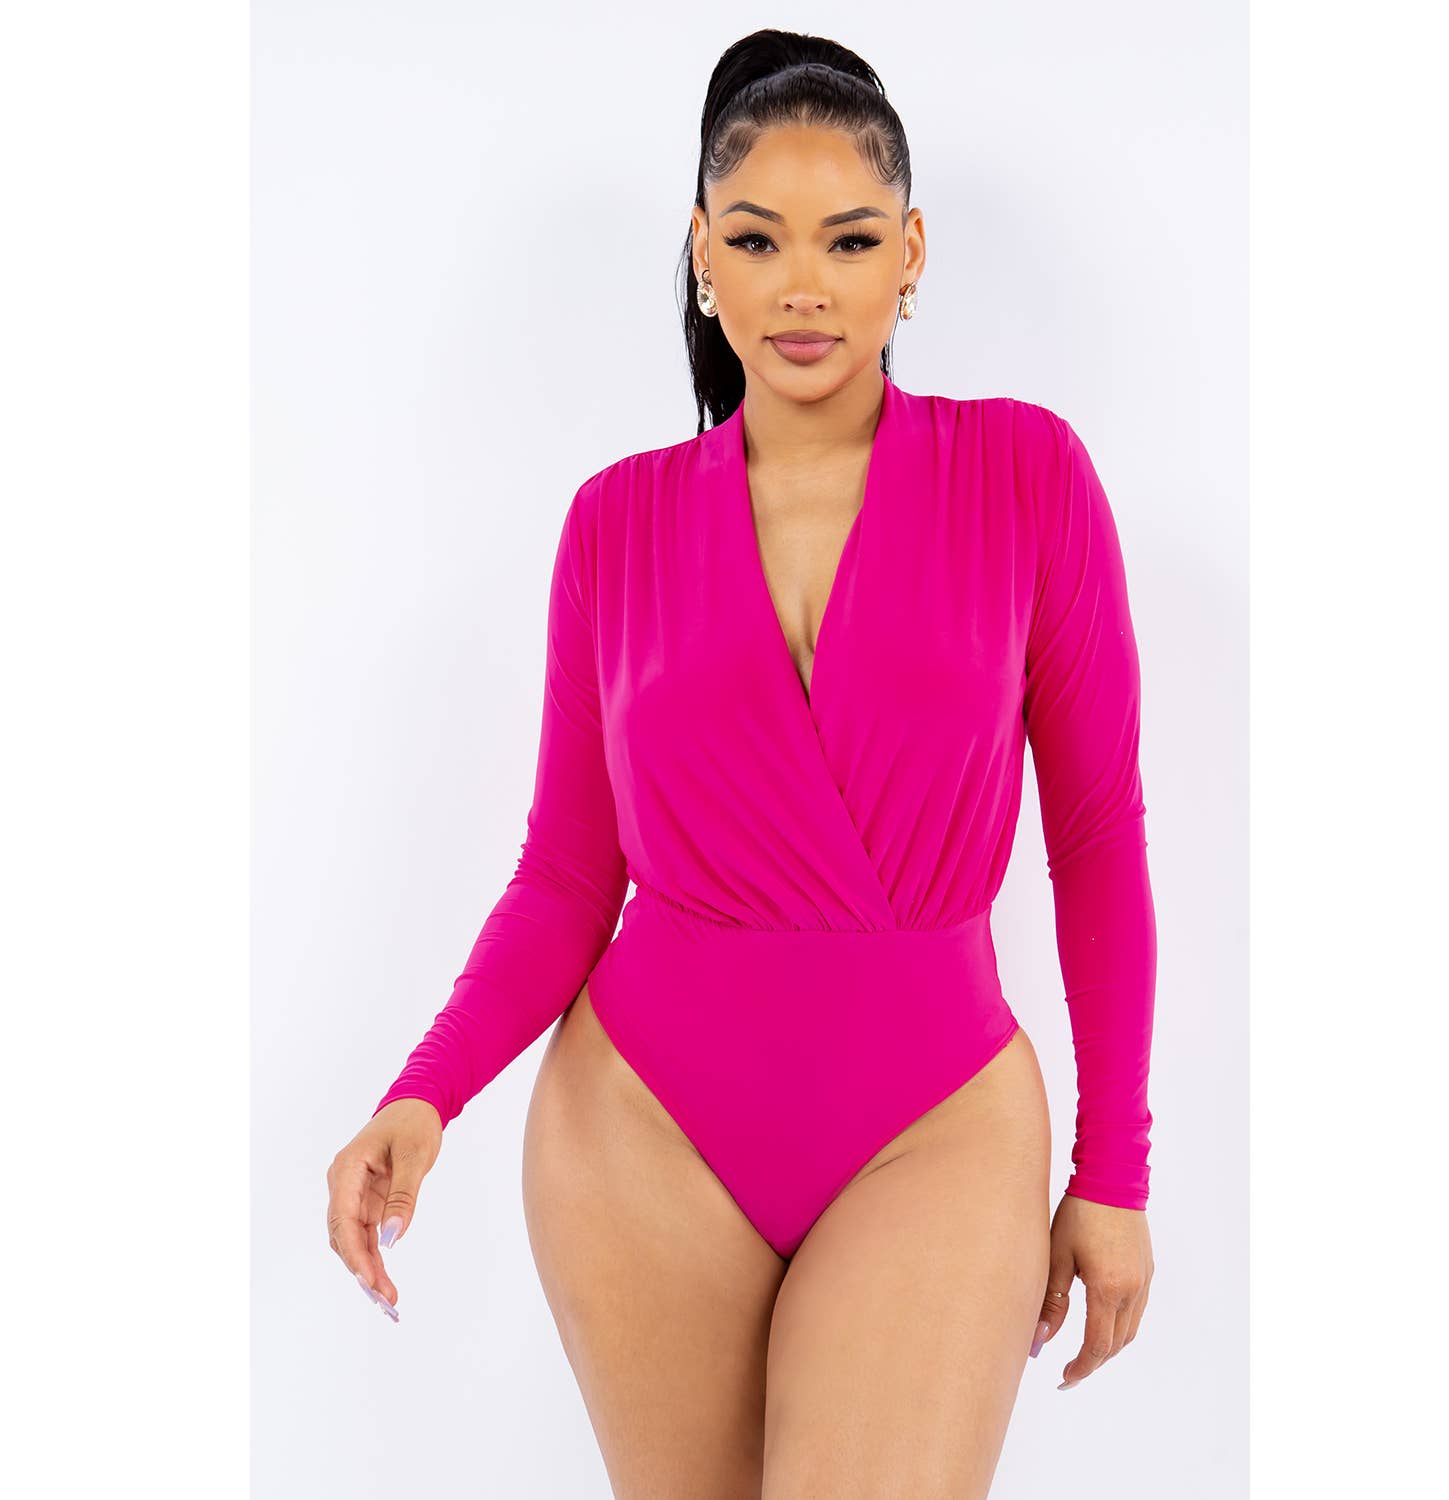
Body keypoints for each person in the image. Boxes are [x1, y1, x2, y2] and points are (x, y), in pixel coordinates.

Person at [326, 27, 1157, 1498]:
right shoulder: (615, 525)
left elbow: (1096, 840)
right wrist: (426, 1090)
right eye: (759, 239)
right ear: (704, 254)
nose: (803, 285)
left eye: (849, 239)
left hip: (939, 1123)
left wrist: (1115, 1172)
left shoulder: (1027, 475)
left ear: (911, 256)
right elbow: (567, 875)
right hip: (643, 1128)